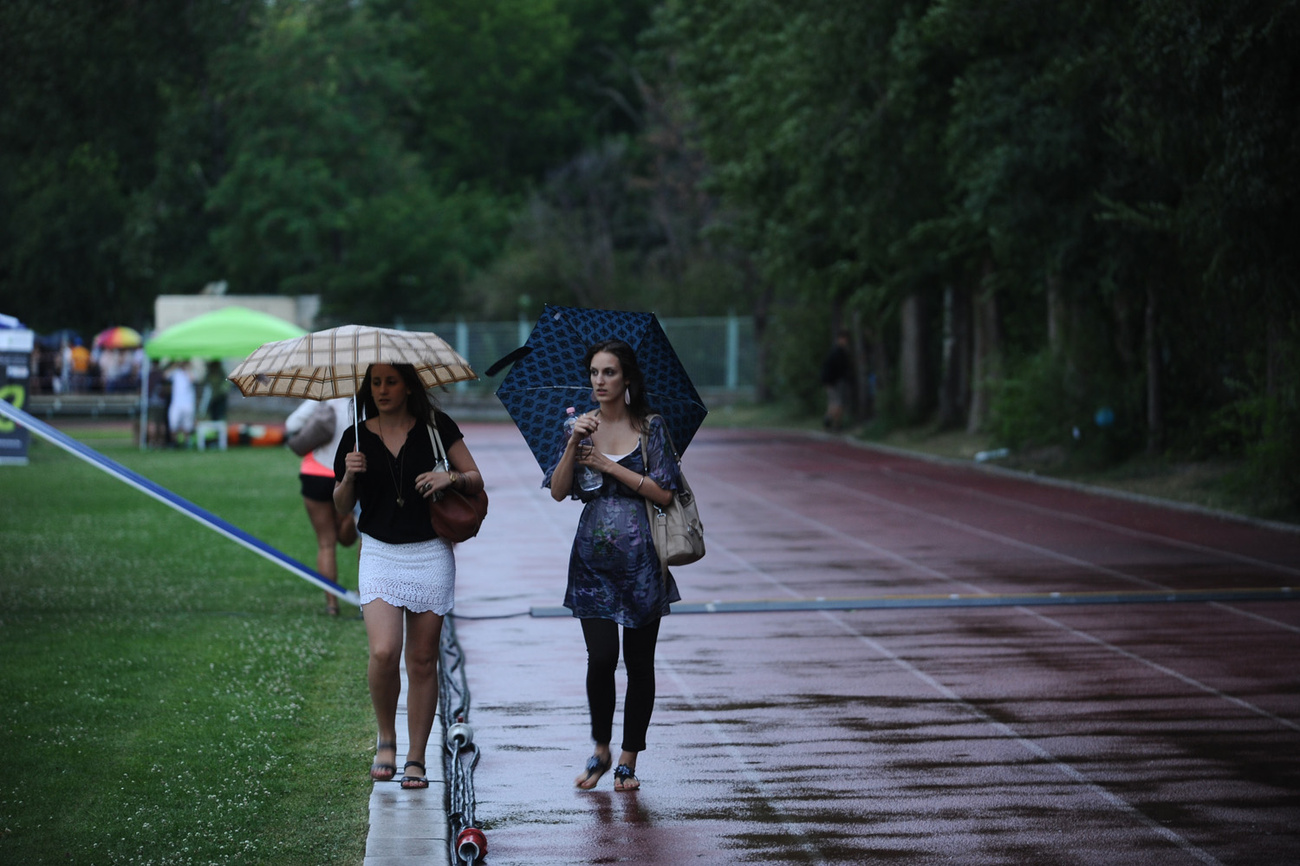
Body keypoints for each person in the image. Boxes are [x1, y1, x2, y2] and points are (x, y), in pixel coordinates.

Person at [333, 363, 483, 790]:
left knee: (422, 660)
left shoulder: (437, 426)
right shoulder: (356, 436)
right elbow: (342, 506)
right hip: (379, 552)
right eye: (375, 382)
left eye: (390, 381)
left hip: (430, 551)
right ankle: (386, 739)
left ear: (408, 386)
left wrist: (448, 477)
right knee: (383, 652)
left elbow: (475, 478)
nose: (382, 389)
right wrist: (349, 475)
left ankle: (416, 757)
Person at [545, 339, 682, 793]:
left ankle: (628, 757)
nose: (599, 382)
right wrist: (574, 443)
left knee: (639, 662)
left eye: (609, 373)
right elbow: (559, 492)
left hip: (643, 559)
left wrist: (607, 463)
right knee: (602, 657)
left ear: (628, 380)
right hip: (593, 559)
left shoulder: (651, 428)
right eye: (594, 373)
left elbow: (664, 493)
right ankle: (601, 747)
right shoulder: (577, 427)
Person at [287, 397, 358, 616]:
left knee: (326, 544)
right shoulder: (364, 399)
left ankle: (332, 605)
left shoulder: (323, 396)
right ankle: (366, 599)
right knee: (363, 537)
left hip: (315, 472)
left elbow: (291, 425)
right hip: (349, 474)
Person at [820, 329, 852, 432]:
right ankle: (830, 421)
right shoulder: (836, 352)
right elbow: (830, 368)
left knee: (835, 404)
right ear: (840, 339)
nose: (846, 341)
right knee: (837, 404)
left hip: (836, 382)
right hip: (834, 382)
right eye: (845, 339)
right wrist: (828, 382)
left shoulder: (841, 352)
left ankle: (835, 424)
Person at [167, 361, 196, 447]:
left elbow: (193, 379)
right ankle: (175, 443)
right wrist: (175, 365)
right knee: (173, 424)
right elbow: (165, 375)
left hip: (188, 403)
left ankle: (186, 442)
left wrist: (188, 369)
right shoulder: (176, 372)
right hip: (176, 403)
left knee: (187, 425)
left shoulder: (191, 372)